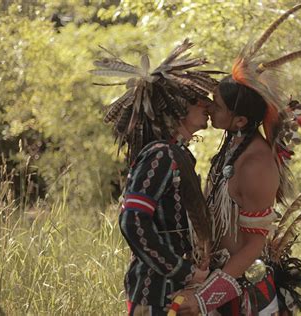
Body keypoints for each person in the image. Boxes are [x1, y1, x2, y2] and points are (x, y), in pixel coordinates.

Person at [171, 2, 301, 315]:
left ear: (240, 120)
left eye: (217, 105)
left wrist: (206, 298)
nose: (211, 108)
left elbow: (254, 244)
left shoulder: (256, 164)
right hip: (219, 279)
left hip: (244, 291)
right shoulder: (234, 145)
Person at [91, 39, 217, 315]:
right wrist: (181, 269)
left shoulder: (177, 155)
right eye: (198, 100)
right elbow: (132, 219)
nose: (206, 106)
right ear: (178, 107)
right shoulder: (161, 155)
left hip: (175, 291)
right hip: (156, 294)